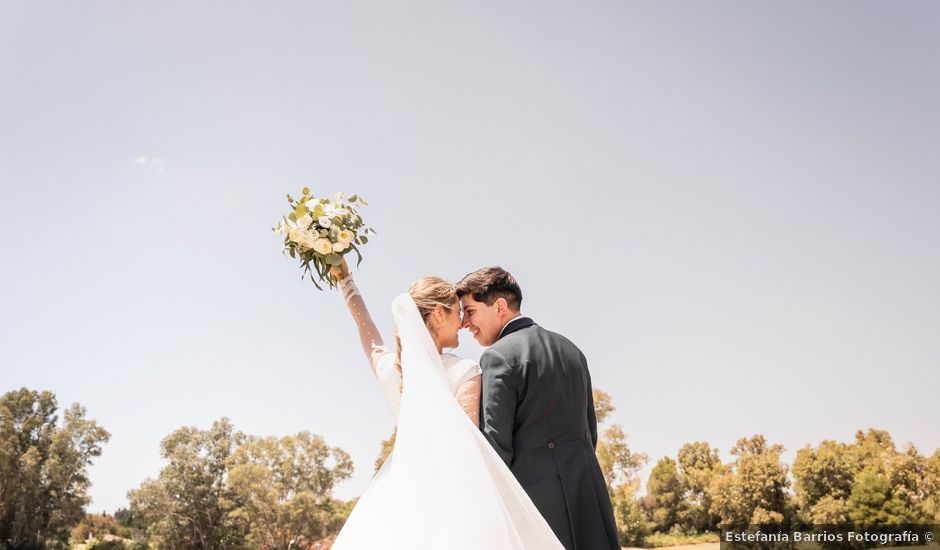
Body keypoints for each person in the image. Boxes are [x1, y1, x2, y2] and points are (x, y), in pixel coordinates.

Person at [329, 260, 564, 550]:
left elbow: (367, 332)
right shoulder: (466, 371)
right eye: (457, 313)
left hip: (400, 492)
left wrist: (346, 281)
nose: (463, 323)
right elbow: (470, 451)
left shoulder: (392, 370)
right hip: (452, 498)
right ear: (439, 314)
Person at [457, 266, 621, 550]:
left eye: (470, 311)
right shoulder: (572, 350)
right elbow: (590, 433)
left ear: (499, 307)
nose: (464, 323)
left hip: (537, 506)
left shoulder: (497, 357)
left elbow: (496, 448)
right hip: (589, 496)